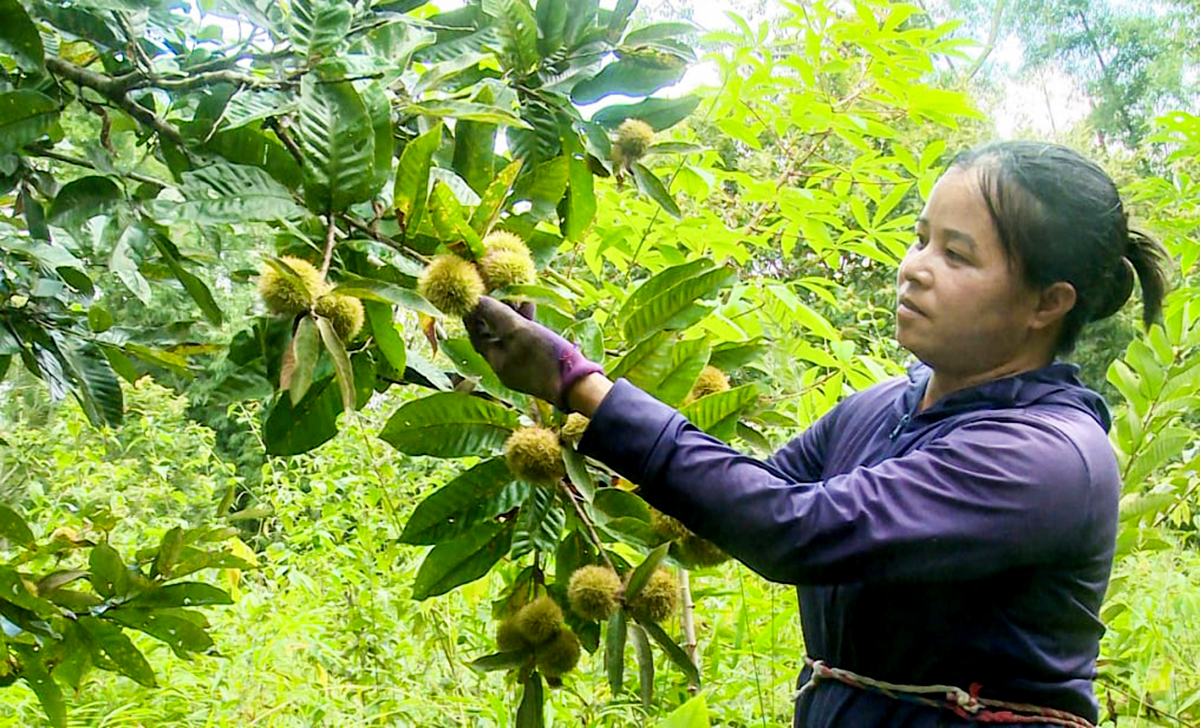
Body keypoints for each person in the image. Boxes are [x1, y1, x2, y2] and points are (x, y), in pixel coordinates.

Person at [463, 140, 1170, 727]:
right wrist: (592, 433)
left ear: (1048, 303)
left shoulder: (1044, 459)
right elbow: (751, 490)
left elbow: (793, 528)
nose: (913, 268)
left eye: (957, 255)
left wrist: (578, 383)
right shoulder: (882, 407)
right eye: (921, 239)